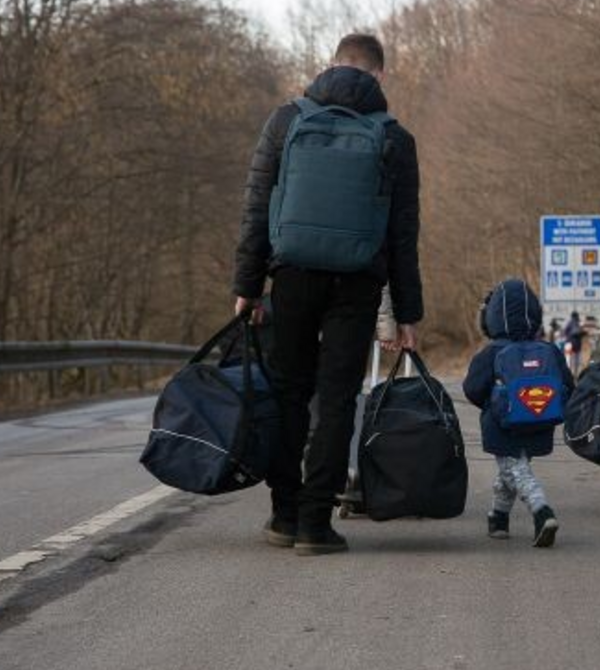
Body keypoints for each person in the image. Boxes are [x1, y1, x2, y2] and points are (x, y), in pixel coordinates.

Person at [233, 34, 423, 556]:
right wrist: (408, 312)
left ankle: (283, 514)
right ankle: (316, 524)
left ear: (331, 65)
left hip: (290, 274)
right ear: (379, 75)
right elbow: (403, 235)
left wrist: (247, 286)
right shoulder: (394, 138)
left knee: (289, 391)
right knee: (337, 397)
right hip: (359, 281)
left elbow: (256, 208)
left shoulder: (286, 120)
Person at [462, 279, 574, 548]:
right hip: (539, 422)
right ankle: (498, 517)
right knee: (513, 468)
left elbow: (472, 389)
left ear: (492, 318)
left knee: (515, 468)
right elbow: (568, 387)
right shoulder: (549, 351)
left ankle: (541, 511)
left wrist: (492, 406)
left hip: (502, 425)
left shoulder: (491, 353)